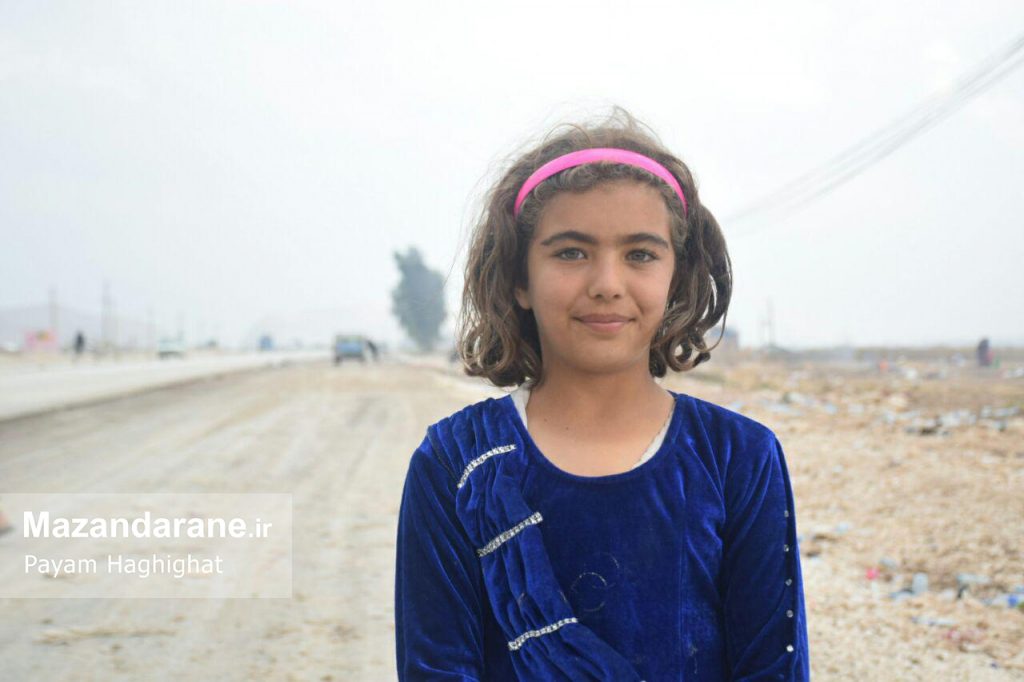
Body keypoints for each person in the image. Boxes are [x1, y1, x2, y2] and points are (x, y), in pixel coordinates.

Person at [394, 107, 810, 680]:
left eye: (640, 254)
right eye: (571, 252)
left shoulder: (738, 458)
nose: (607, 284)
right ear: (519, 279)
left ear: (676, 278)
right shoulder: (455, 464)